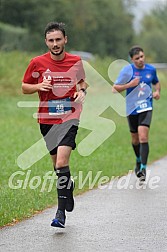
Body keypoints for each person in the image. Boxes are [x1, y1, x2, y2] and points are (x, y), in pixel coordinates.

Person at [22, 22, 88, 228]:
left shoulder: (76, 61)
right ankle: (68, 185)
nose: (55, 43)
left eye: (58, 39)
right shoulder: (37, 62)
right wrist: (38, 86)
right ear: (46, 42)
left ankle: (60, 214)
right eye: (51, 40)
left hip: (69, 117)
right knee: (57, 166)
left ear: (65, 40)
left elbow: (83, 82)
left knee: (61, 162)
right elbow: (24, 87)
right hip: (46, 119)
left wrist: (82, 91)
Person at [112, 45, 160, 182]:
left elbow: (156, 83)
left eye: (142, 56)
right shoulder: (127, 71)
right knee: (135, 138)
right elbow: (114, 89)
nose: (140, 60)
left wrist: (157, 92)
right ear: (132, 59)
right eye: (137, 58)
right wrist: (130, 85)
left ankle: (143, 169)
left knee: (143, 137)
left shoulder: (151, 69)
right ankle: (138, 160)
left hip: (146, 106)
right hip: (131, 108)